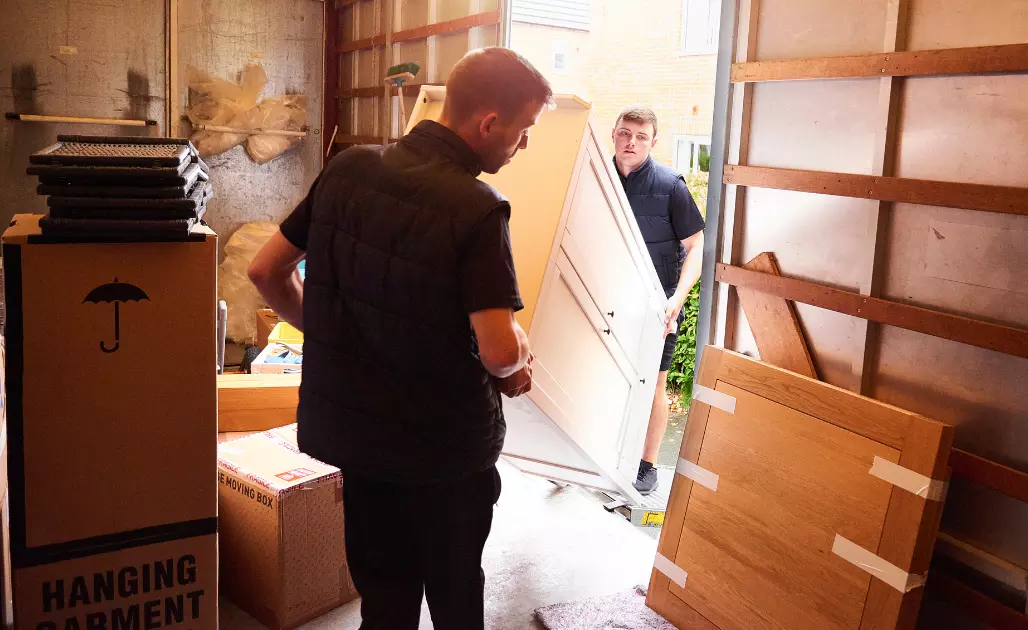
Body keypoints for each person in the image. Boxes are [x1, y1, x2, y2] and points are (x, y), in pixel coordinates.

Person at [247, 47, 555, 630]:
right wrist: (520, 350)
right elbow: (498, 352)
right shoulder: (477, 207)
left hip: (361, 442)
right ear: (489, 124)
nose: (523, 147)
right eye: (524, 132)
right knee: (455, 594)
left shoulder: (349, 168)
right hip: (444, 453)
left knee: (384, 601)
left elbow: (266, 270)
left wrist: (331, 331)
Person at [611, 106, 705, 495]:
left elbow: (696, 246)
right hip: (609, 297)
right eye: (625, 133)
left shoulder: (671, 186)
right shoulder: (599, 179)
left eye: (641, 136)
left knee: (654, 385)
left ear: (654, 141)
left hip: (658, 304)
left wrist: (677, 299)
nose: (631, 142)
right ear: (613, 134)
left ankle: (647, 464)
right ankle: (603, 453)